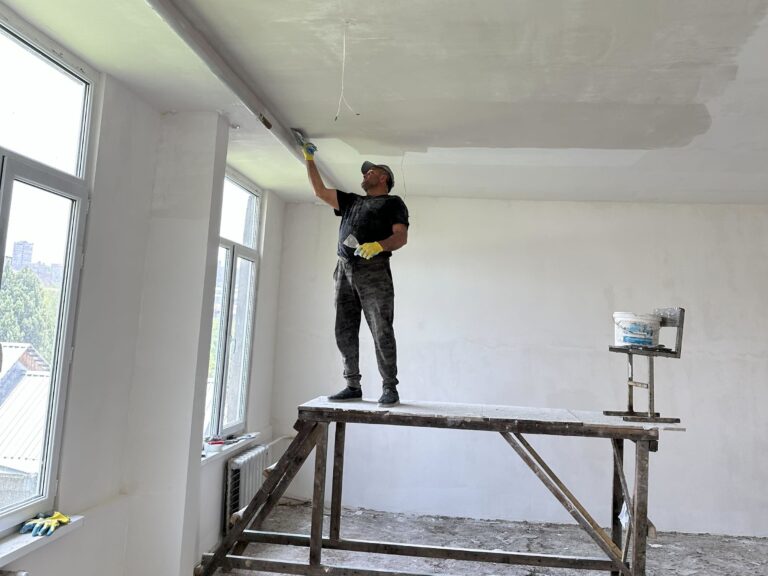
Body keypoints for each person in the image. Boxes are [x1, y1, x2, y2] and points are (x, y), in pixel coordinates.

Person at [302, 141, 409, 407]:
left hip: (374, 270)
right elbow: (319, 191)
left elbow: (401, 236)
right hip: (343, 269)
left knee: (381, 328)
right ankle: (352, 385)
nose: (365, 174)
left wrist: (379, 246)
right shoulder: (350, 201)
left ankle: (389, 387)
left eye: (371, 171)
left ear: (384, 178)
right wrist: (309, 159)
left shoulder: (393, 203)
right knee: (344, 328)